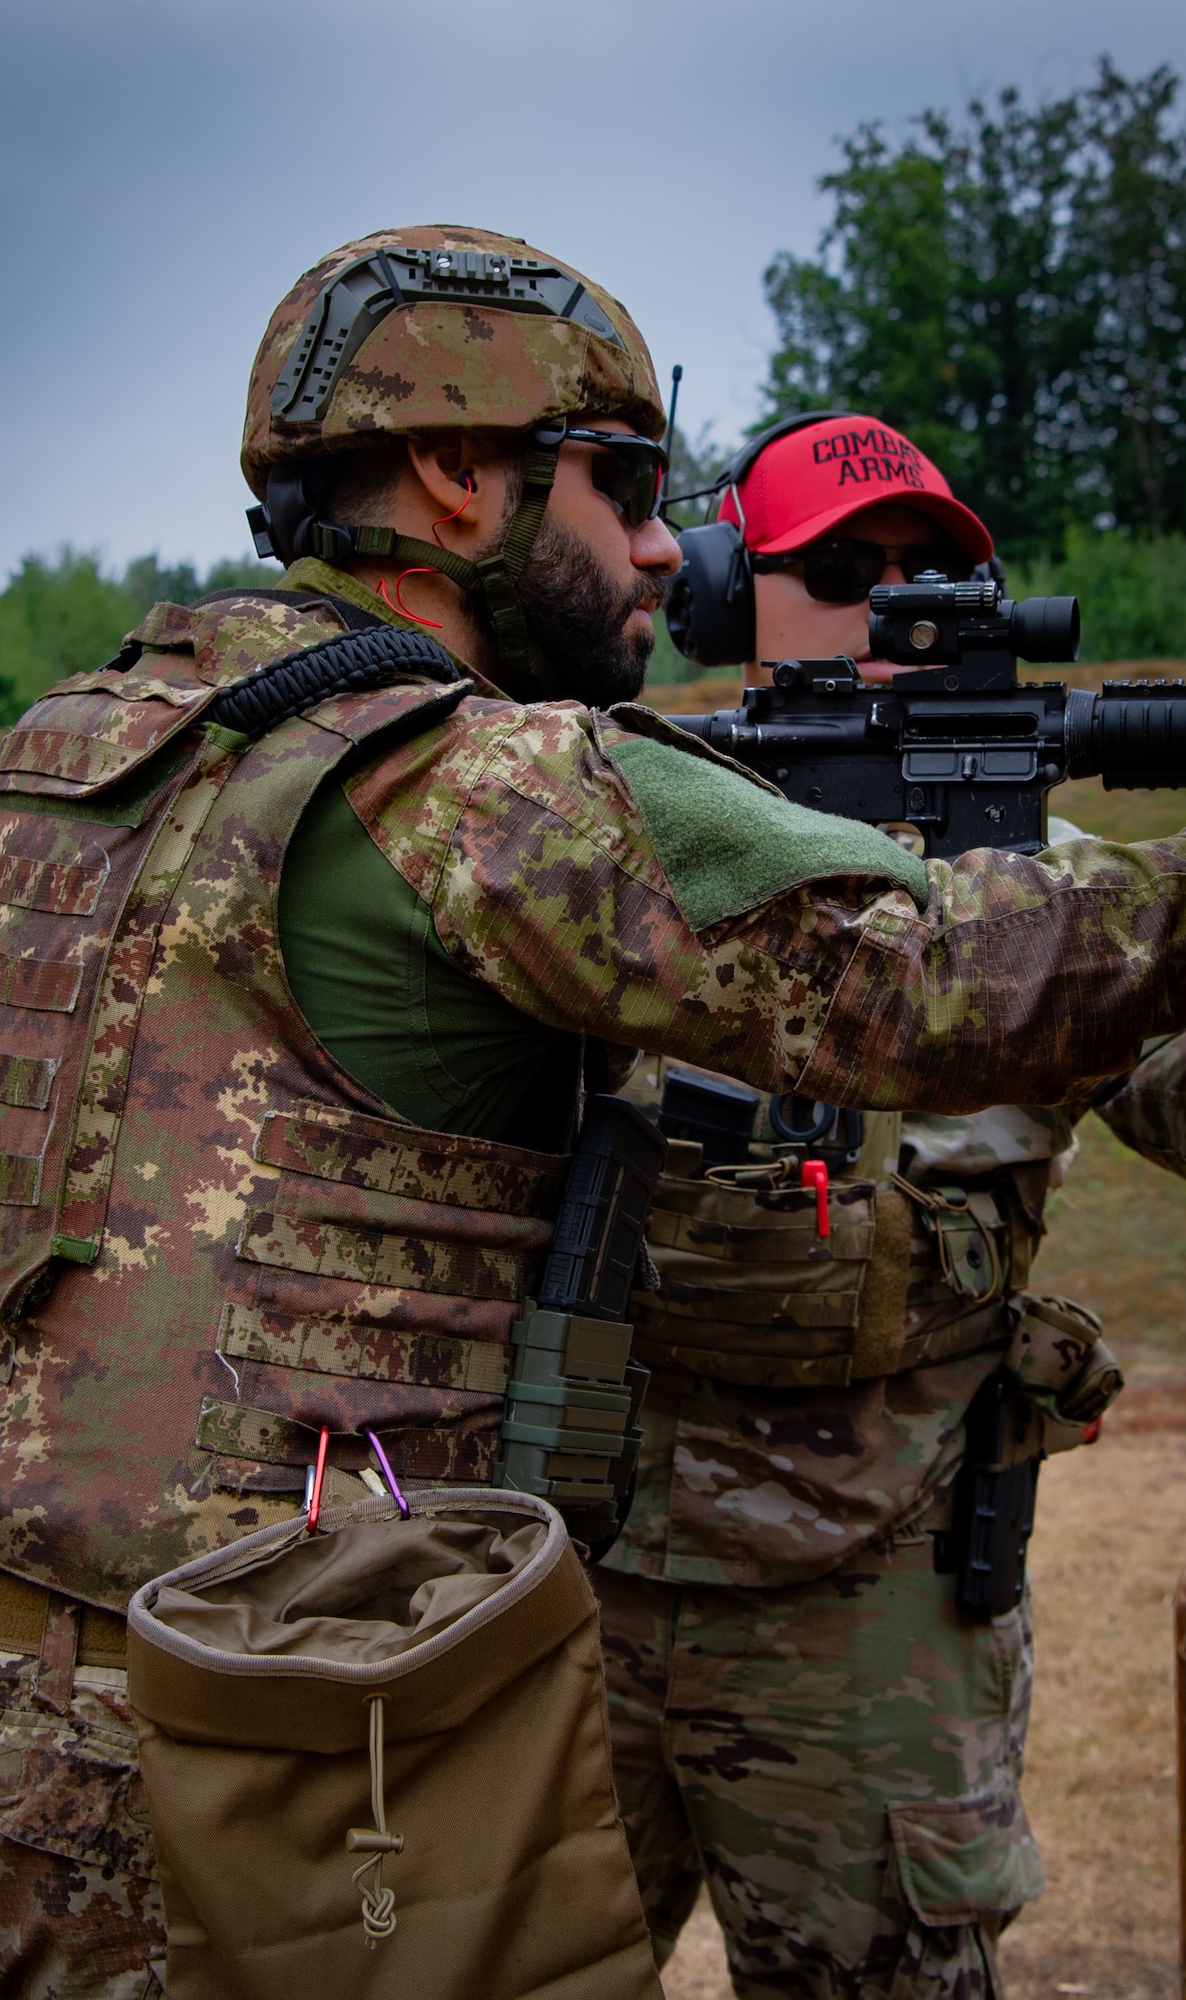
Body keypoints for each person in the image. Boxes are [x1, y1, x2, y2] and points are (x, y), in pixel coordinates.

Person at [0, 234, 1186, 1998]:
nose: (662, 546)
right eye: (626, 486)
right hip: (186, 1727)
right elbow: (926, 978)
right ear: (458, 472)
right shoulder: (462, 780)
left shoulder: (96, 732)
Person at [595, 412, 1140, 1999]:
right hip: (575, 1579)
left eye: (936, 571)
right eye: (841, 571)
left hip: (877, 1623)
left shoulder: (1056, 892)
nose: (899, 604)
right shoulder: (599, 837)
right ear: (722, 597)